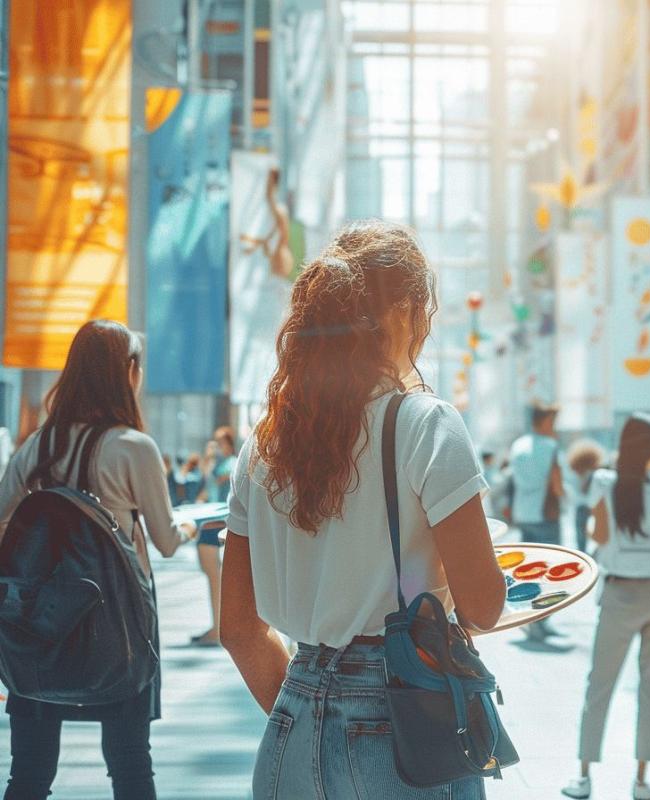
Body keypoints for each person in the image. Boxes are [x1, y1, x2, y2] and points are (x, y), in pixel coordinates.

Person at [219, 220, 506, 800]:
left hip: (291, 724)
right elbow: (484, 604)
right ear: (400, 313)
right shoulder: (426, 424)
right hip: (403, 725)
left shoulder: (265, 442)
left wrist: (313, 711)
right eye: (421, 316)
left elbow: (239, 630)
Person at [0, 319, 196, 800]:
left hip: (43, 620)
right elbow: (167, 540)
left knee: (28, 772)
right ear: (126, 372)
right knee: (130, 766)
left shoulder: (38, 444)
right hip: (122, 621)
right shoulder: (134, 448)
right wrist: (194, 524)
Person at [562, 414, 650, 800]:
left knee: (600, 683)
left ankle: (584, 775)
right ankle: (640, 780)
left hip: (619, 593)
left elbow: (598, 534)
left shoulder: (603, 482)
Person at [509, 402, 566, 641]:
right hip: (545, 515)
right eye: (552, 422)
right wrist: (564, 496)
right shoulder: (550, 446)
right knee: (551, 573)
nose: (555, 427)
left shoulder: (518, 445)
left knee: (528, 571)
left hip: (523, 513)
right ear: (544, 421)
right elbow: (557, 484)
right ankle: (540, 621)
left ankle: (531, 620)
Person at [191, 427, 238, 647]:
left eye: (220, 443)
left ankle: (218, 626)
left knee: (214, 575)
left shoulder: (230, 464)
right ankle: (216, 625)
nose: (217, 447)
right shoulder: (218, 463)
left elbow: (218, 482)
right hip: (210, 517)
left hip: (217, 519)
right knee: (212, 574)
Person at [565, 439, 605, 553]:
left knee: (580, 540)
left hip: (581, 508)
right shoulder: (595, 473)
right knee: (595, 538)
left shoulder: (575, 473)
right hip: (592, 507)